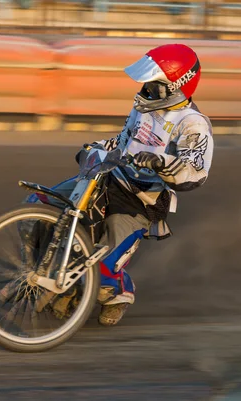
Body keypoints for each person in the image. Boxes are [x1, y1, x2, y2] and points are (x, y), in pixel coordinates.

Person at [28, 43, 214, 326]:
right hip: (107, 177)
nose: (147, 89)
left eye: (154, 85)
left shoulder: (193, 124)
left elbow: (195, 171)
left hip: (141, 200)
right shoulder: (143, 106)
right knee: (34, 211)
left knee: (102, 270)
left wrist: (161, 163)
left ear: (176, 86)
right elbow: (124, 140)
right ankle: (47, 273)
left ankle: (119, 292)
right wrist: (97, 147)